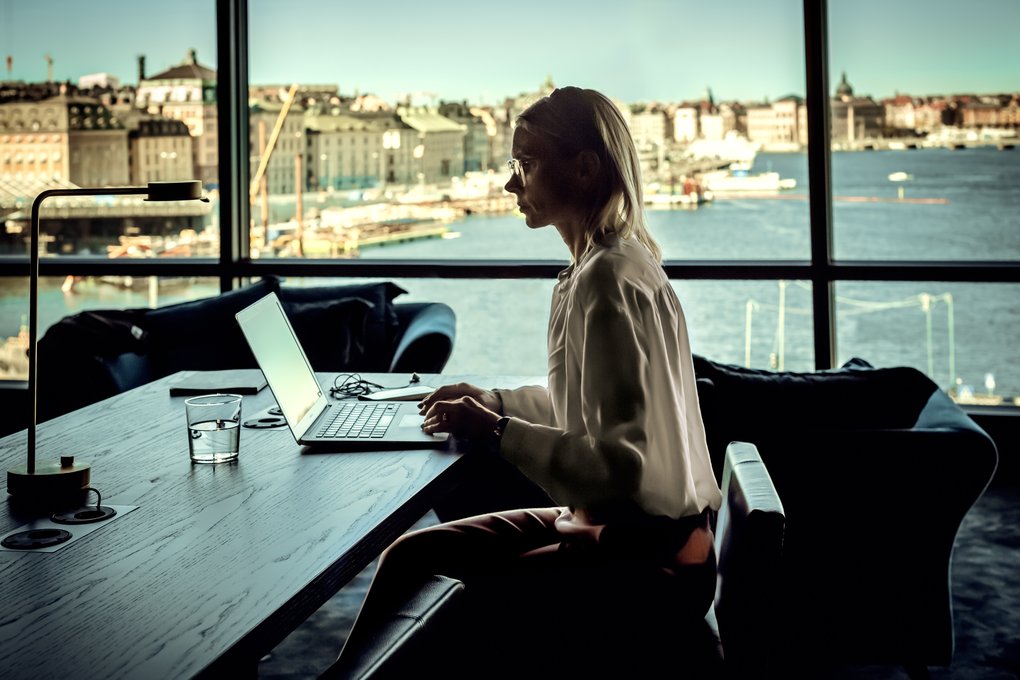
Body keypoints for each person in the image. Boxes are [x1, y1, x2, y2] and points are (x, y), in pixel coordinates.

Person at [333, 86, 722, 675]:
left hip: (644, 557)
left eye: (528, 165)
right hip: (638, 531)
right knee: (412, 556)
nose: (511, 184)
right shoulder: (609, 265)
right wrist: (492, 401)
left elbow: (621, 465)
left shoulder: (605, 282)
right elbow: (587, 409)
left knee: (435, 588)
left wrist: (494, 430)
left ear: (586, 168)